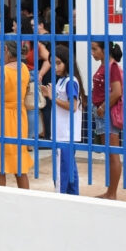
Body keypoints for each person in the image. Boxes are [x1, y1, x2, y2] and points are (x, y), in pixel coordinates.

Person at [0, 40, 31, 188]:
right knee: (19, 166)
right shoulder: (24, 68)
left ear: (6, 49)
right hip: (19, 117)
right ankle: (26, 197)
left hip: (0, 119)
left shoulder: (1, 71)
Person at [40, 45, 83, 195]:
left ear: (67, 62)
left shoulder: (70, 81)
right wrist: (48, 94)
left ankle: (60, 198)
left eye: (58, 63)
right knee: (70, 171)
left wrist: (53, 97)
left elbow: (73, 106)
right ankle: (73, 197)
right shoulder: (63, 81)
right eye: (52, 63)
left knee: (61, 172)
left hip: (64, 135)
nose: (55, 67)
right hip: (64, 134)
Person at [90, 41, 124, 200]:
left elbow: (117, 92)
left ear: (105, 50)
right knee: (109, 154)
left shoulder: (112, 67)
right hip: (101, 113)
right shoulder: (104, 65)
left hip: (107, 113)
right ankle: (110, 191)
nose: (92, 52)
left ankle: (112, 193)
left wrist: (103, 107)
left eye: (95, 49)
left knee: (113, 155)